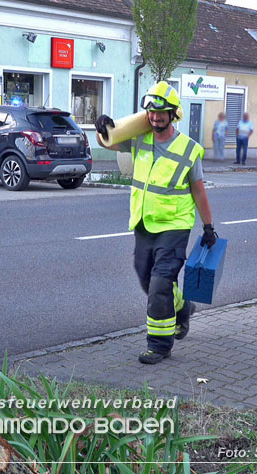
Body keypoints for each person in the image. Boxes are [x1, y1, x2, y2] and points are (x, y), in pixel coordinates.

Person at [94, 81, 217, 365]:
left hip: (174, 226)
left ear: (173, 114)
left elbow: (198, 189)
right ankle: (183, 306)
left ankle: (159, 345)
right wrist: (102, 127)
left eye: (161, 113)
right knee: (146, 280)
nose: (155, 118)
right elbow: (109, 141)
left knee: (161, 283)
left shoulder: (188, 149)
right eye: (151, 112)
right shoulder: (140, 138)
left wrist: (208, 227)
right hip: (144, 223)